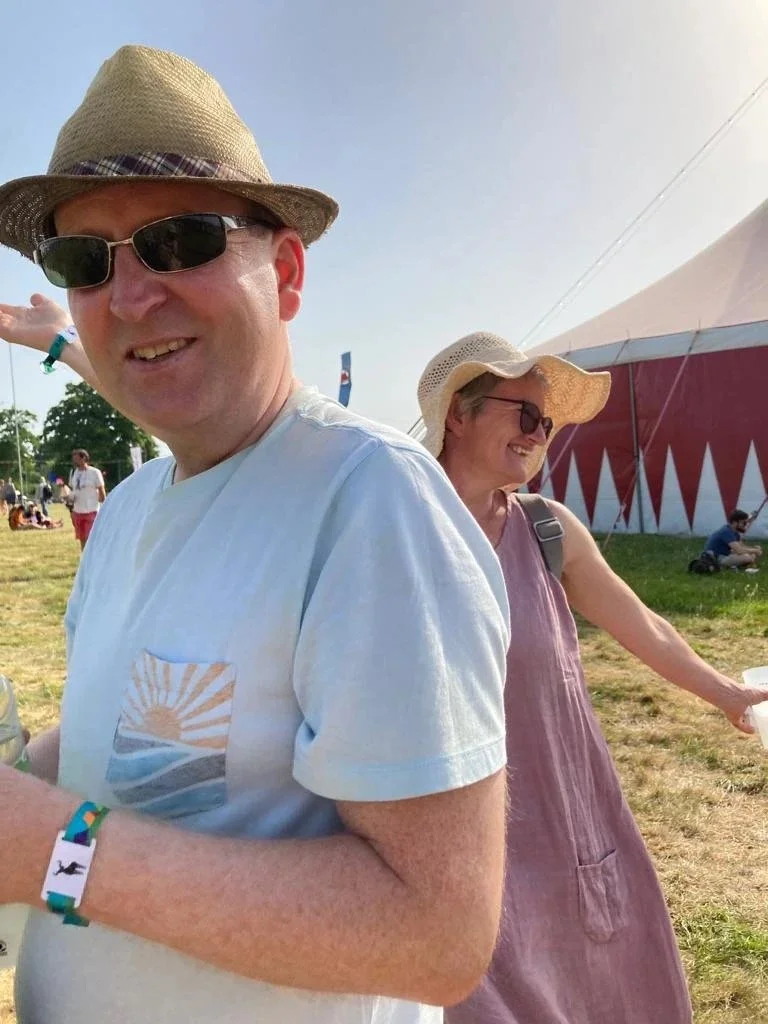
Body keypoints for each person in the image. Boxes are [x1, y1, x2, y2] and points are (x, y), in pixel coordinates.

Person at [0, 46, 509, 1024]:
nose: (132, 294)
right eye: (83, 262)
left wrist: (57, 849)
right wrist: (25, 774)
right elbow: (150, 739)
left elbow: (437, 933)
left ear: (283, 272)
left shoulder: (370, 505)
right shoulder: (135, 509)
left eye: (180, 241)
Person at [416, 332, 768, 1024]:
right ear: (460, 413)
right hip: (446, 832)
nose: (538, 435)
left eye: (546, 424)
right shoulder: (398, 529)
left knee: (594, 984)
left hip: (562, 816)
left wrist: (728, 694)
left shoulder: (548, 528)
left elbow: (646, 625)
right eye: (524, 414)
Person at [68, 448, 106, 550]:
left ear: (83, 458)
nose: (74, 461)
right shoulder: (74, 473)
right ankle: (84, 559)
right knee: (82, 538)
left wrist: (104, 507)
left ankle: (93, 558)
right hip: (78, 511)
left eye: (76, 458)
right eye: (73, 458)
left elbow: (101, 491)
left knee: (91, 538)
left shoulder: (94, 472)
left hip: (91, 510)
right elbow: (74, 490)